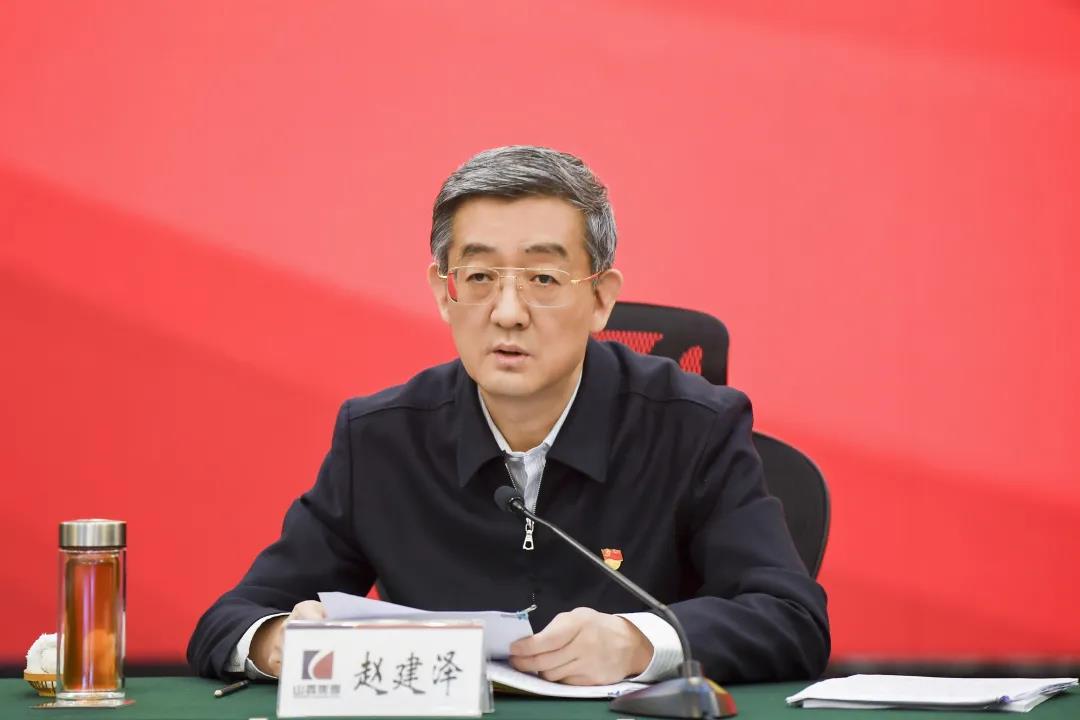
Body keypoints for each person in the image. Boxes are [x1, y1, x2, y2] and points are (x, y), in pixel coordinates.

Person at [187, 145, 830, 685]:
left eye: (543, 280)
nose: (508, 312)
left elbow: (791, 618)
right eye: (479, 278)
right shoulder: (380, 438)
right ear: (444, 293)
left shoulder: (693, 426)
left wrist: (642, 642)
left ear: (601, 300)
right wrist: (279, 640)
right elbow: (232, 619)